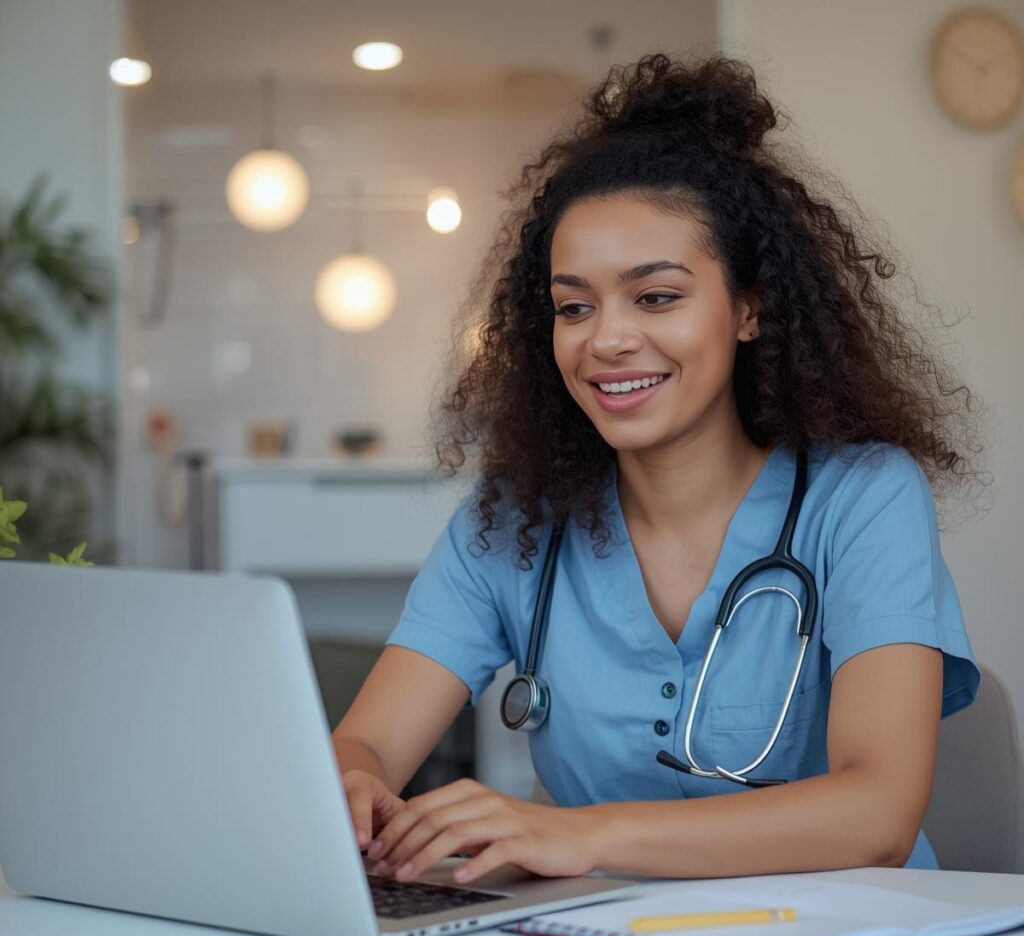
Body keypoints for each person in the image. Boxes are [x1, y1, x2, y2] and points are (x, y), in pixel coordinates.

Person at [331, 53, 983, 886]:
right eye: (574, 307)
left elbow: (879, 812)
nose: (606, 339)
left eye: (656, 296)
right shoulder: (515, 523)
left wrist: (585, 836)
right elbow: (371, 741)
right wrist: (355, 783)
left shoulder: (861, 500)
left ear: (748, 308)